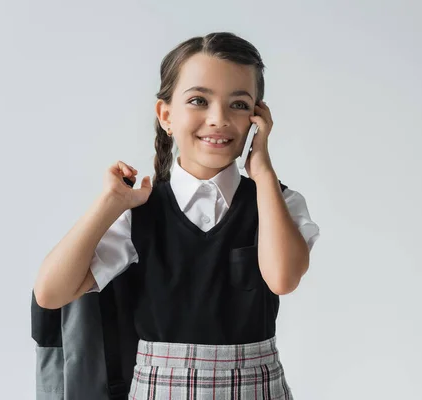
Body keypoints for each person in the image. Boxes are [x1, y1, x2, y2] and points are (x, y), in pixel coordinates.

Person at [33, 31, 320, 399]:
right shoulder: (139, 213)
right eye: (199, 100)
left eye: (238, 104)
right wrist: (109, 204)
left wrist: (262, 171)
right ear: (166, 115)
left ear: (257, 118)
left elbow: (282, 279)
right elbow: (50, 292)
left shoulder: (277, 202)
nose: (218, 118)